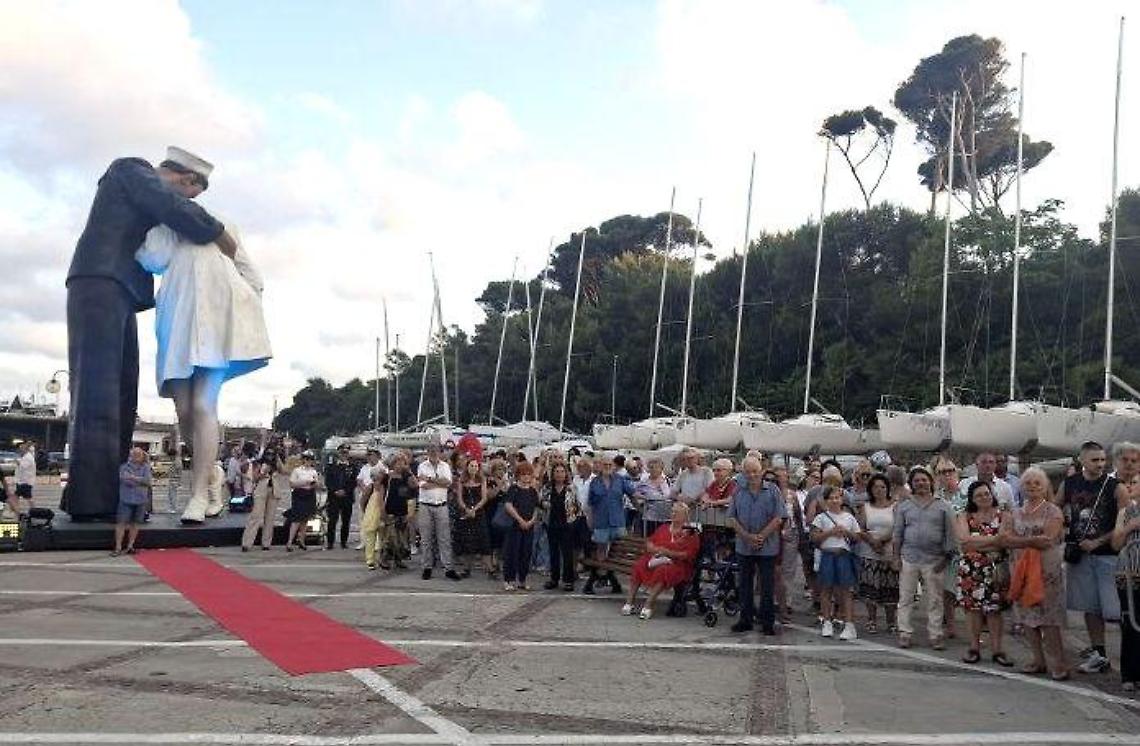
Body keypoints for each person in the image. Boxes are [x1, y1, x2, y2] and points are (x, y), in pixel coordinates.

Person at [64, 147, 238, 520]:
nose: (189, 201)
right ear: (188, 180)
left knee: (122, 391)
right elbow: (176, 212)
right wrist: (221, 234)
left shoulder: (141, 191)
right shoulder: (131, 169)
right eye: (193, 194)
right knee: (98, 393)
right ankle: (91, 502)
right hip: (99, 281)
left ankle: (102, 494)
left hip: (119, 290)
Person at [133, 161, 269, 525]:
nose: (160, 180)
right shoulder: (165, 224)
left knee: (203, 404)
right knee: (184, 410)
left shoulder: (220, 221)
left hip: (215, 316)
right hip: (178, 317)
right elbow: (152, 259)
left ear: (192, 183)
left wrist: (245, 306)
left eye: (168, 174)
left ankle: (198, 495)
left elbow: (247, 268)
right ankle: (211, 478)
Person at [1056, 441, 1119, 675]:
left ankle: (1129, 656)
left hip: (1108, 555)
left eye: (1103, 460)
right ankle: (1099, 653)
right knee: (1090, 607)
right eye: (1095, 460)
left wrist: (1098, 541)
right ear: (1082, 460)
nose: (1100, 464)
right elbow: (1054, 508)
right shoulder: (1070, 484)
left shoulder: (1115, 486)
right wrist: (1061, 529)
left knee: (1114, 609)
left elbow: (1123, 523)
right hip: (1079, 554)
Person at [1002, 466, 1070, 680]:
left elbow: (1048, 539)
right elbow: (1004, 539)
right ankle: (1037, 660)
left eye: (1037, 483)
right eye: (1028, 483)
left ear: (1045, 487)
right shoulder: (1015, 512)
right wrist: (1031, 540)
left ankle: (1058, 663)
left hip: (1047, 573)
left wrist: (1019, 540)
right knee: (1027, 618)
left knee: (1050, 620)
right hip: (1021, 570)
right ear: (1021, 487)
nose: (1032, 486)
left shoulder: (1053, 511)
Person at [893, 465, 956, 649]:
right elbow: (897, 534)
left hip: (934, 559)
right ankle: (904, 632)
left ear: (930, 482)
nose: (921, 483)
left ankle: (935, 634)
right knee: (905, 597)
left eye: (924, 480)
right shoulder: (904, 506)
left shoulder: (943, 506)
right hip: (909, 557)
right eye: (917, 480)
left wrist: (946, 558)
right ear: (911, 484)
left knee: (935, 599)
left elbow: (950, 535)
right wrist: (896, 557)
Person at [955, 481, 1013, 666]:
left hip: (995, 569)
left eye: (987, 493)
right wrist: (992, 541)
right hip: (971, 570)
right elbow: (963, 541)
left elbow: (1003, 541)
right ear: (972, 499)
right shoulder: (964, 516)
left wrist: (977, 542)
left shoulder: (1004, 515)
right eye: (979, 495)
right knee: (973, 610)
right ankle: (974, 647)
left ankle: (997, 649)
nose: (984, 497)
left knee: (995, 610)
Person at [727, 456, 786, 635]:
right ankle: (745, 619)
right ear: (743, 473)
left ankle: (767, 621)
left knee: (767, 585)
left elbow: (779, 517)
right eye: (748, 471)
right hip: (744, 546)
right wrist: (746, 536)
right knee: (744, 584)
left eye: (755, 471)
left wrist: (761, 536)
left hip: (767, 546)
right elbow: (731, 518)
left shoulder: (773, 490)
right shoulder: (738, 491)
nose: (752, 475)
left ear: (761, 471)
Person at [623, 502, 700, 620]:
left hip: (679, 564)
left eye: (676, 513)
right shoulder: (664, 527)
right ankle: (629, 602)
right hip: (658, 559)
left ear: (685, 516)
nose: (673, 514)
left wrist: (668, 553)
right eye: (672, 511)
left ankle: (648, 605)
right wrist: (652, 548)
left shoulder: (690, 533)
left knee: (663, 571)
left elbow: (687, 555)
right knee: (640, 565)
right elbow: (650, 541)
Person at [811, 485, 863, 641]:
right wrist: (830, 532)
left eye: (837, 497)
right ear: (826, 501)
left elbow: (857, 537)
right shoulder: (821, 518)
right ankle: (827, 621)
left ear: (841, 499)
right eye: (831, 498)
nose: (834, 500)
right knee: (826, 590)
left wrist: (846, 532)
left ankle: (849, 624)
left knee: (846, 591)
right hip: (827, 555)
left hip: (843, 556)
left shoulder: (849, 518)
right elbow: (814, 538)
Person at [585, 455, 637, 595]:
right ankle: (604, 576)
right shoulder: (594, 482)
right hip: (601, 521)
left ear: (613, 466)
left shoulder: (620, 480)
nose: (607, 467)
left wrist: (640, 506)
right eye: (605, 464)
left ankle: (609, 576)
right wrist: (590, 520)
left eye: (610, 464)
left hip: (617, 520)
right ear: (600, 466)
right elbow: (590, 504)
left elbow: (633, 494)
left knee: (617, 551)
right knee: (600, 550)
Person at [857, 473, 899, 634]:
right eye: (875, 486)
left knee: (891, 589)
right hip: (869, 552)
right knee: (870, 589)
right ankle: (871, 620)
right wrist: (872, 541)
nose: (879, 490)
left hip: (889, 551)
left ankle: (890, 621)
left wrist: (882, 541)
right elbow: (860, 528)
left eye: (882, 486)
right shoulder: (865, 507)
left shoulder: (895, 506)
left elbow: (898, 527)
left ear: (887, 488)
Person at [417, 443, 461, 581]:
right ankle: (427, 567)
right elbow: (422, 486)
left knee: (444, 538)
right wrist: (438, 482)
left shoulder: (445, 466)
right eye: (430, 450)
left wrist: (430, 479)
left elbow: (448, 483)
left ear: (440, 452)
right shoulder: (422, 466)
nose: (433, 453)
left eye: (435, 450)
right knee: (426, 539)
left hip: (441, 505)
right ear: (427, 452)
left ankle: (448, 568)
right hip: (425, 505)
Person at [1111, 489, 1140, 691]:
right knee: (1130, 624)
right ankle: (1129, 674)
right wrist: (1131, 527)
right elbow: (1116, 543)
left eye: (1135, 482)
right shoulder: (1125, 512)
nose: (1131, 487)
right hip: (1129, 575)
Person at [241, 441, 286, 552]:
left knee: (270, 518)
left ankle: (266, 543)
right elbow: (254, 478)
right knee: (256, 516)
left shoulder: (276, 464)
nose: (270, 456)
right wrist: (263, 473)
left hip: (273, 491)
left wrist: (278, 459)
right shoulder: (258, 463)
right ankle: (247, 543)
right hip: (261, 490)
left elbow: (284, 471)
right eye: (268, 453)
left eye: (272, 454)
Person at [502, 462, 540, 591]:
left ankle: (522, 580)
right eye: (523, 474)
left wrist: (531, 521)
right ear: (518, 475)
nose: (526, 477)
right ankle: (509, 580)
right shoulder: (514, 489)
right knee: (512, 552)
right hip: (514, 526)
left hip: (529, 527)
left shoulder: (533, 491)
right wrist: (520, 520)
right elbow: (508, 505)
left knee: (526, 553)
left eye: (528, 474)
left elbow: (536, 508)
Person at [776, 466, 806, 623]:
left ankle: (786, 601)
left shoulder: (792, 495)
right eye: (778, 476)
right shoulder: (770, 493)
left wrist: (801, 536)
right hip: (775, 535)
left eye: (784, 476)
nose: (782, 479)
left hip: (790, 534)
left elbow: (798, 517)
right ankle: (776, 600)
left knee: (789, 569)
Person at [453, 458, 492, 577]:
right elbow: (459, 498)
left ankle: (490, 569)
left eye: (475, 466)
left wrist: (474, 509)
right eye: (471, 466)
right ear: (467, 467)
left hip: (479, 513)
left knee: (483, 539)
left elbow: (484, 498)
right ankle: (467, 568)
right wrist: (466, 509)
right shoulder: (461, 481)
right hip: (465, 512)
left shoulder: (482, 480)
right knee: (467, 541)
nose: (474, 468)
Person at [542, 462, 577, 591]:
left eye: (562, 471)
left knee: (567, 553)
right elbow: (540, 500)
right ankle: (554, 578)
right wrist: (544, 504)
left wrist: (573, 520)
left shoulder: (571, 488)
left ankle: (568, 580)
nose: (559, 474)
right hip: (551, 523)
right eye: (557, 472)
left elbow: (577, 505)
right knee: (553, 552)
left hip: (566, 524)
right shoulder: (547, 487)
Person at [380, 451, 417, 569]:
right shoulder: (387, 477)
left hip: (403, 510)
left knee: (401, 538)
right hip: (390, 510)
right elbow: (381, 494)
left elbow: (415, 485)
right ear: (393, 464)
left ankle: (399, 559)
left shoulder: (406, 476)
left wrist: (409, 472)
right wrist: (382, 510)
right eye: (398, 463)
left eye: (403, 463)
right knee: (390, 537)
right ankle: (384, 559)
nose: (400, 465)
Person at [113, 447, 151, 556]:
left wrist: (133, 478)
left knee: (136, 523)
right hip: (126, 499)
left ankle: (130, 546)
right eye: (134, 454)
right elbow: (125, 480)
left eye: (139, 454)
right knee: (121, 523)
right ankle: (118, 547)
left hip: (141, 500)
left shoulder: (146, 467)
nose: (136, 456)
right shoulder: (124, 467)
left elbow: (148, 481)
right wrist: (140, 480)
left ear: (142, 456)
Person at [284, 451, 320, 551]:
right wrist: (305, 482)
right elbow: (292, 484)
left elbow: (317, 485)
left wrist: (315, 484)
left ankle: (302, 540)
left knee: (305, 519)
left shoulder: (313, 471)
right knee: (296, 520)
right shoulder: (297, 471)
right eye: (307, 459)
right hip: (299, 494)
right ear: (303, 460)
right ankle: (289, 542)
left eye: (311, 459)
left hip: (310, 495)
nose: (309, 461)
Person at [323, 444, 357, 550]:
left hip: (347, 497)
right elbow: (328, 481)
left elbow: (354, 482)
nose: (344, 455)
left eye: (346, 452)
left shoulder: (352, 466)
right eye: (342, 452)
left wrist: (345, 491)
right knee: (332, 520)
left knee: (346, 521)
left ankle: (343, 542)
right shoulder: (331, 466)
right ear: (338, 453)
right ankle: (330, 542)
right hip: (334, 497)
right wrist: (335, 491)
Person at [356, 448, 386, 551]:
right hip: (365, 494)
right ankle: (364, 542)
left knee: (376, 520)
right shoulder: (365, 467)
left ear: (377, 456)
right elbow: (359, 479)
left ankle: (377, 543)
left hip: (377, 494)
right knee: (363, 519)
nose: (369, 457)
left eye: (372, 455)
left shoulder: (382, 467)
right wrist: (364, 487)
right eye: (368, 456)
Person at [635, 457, 672, 535]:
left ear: (661, 469)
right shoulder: (644, 483)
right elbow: (635, 496)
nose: (654, 470)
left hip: (666, 518)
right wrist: (642, 502)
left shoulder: (667, 481)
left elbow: (672, 495)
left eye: (656, 467)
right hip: (650, 518)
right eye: (651, 467)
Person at [1114, 442, 1140, 507]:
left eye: (1134, 461)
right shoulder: (1104, 482)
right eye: (1124, 459)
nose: (1129, 464)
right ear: (1115, 461)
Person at [13, 442, 36, 513]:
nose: (20, 450)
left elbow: (24, 467)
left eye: (21, 449)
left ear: (25, 449)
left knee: (26, 497)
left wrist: (17, 462)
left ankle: (17, 510)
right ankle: (17, 510)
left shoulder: (28, 457)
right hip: (22, 481)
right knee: (25, 497)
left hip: (25, 481)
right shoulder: (26, 456)